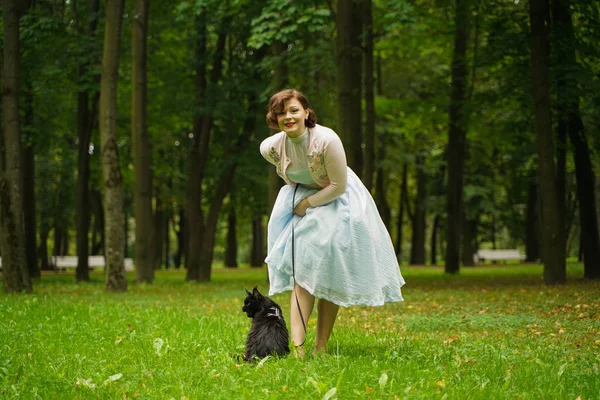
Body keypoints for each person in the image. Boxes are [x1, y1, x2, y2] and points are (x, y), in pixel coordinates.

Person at [260, 89, 405, 357]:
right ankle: (299, 349)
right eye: (281, 113)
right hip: (302, 197)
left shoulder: (327, 140)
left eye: (294, 110)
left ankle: (321, 347)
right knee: (302, 270)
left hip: (337, 199)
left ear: (306, 113)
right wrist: (298, 201)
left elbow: (338, 186)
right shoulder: (270, 147)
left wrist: (306, 205)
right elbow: (291, 174)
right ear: (274, 118)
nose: (288, 117)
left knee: (329, 269)